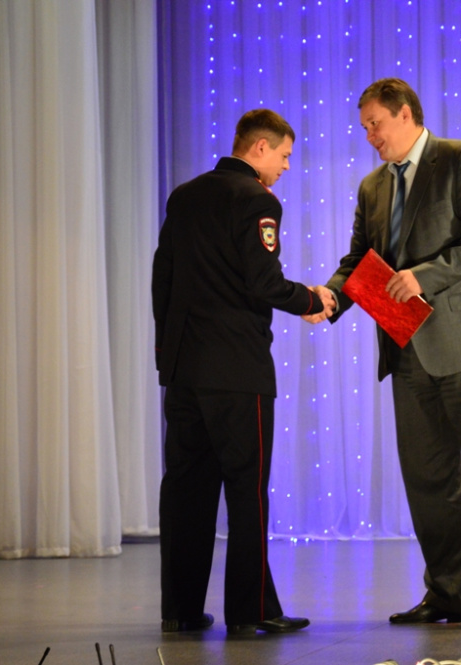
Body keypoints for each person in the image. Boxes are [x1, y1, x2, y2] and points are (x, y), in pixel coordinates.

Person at [307, 78, 461, 632]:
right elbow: (360, 260)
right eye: (364, 127)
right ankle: (448, 596)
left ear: (405, 114)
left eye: (375, 124)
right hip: (406, 349)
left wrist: (424, 277)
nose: (369, 135)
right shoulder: (372, 186)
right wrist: (329, 298)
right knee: (429, 482)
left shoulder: (460, 159)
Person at [152, 108, 332, 636]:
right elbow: (263, 282)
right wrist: (312, 300)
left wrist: (168, 357)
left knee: (185, 492)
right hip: (237, 372)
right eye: (284, 156)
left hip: (184, 371)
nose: (285, 167)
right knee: (246, 492)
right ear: (259, 148)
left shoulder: (184, 196)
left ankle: (181, 610)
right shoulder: (258, 200)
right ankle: (251, 611)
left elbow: (163, 280)